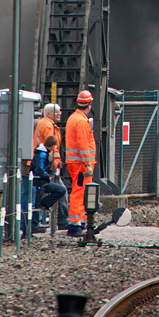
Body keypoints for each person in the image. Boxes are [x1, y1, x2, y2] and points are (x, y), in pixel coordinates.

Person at [32, 103, 69, 230]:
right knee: (61, 191)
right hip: (48, 165)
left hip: (43, 164)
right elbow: (52, 146)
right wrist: (56, 161)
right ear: (48, 113)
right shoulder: (48, 126)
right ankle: (63, 220)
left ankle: (38, 220)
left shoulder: (46, 123)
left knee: (41, 192)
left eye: (60, 112)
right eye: (56, 112)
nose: (59, 114)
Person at [65, 90, 96, 237]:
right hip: (81, 164)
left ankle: (81, 221)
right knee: (79, 192)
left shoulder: (73, 118)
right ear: (89, 104)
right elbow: (83, 144)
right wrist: (87, 164)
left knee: (82, 192)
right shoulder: (82, 121)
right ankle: (74, 225)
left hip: (75, 163)